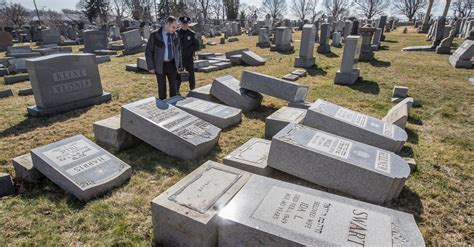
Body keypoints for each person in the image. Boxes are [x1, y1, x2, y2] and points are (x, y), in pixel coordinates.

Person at [145, 16, 182, 100]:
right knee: (162, 87)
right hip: (160, 65)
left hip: (172, 64)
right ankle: (163, 104)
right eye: (173, 27)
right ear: (167, 24)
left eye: (176, 28)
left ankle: (174, 105)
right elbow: (148, 51)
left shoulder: (175, 35)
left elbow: (178, 51)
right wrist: (151, 66)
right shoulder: (155, 35)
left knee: (173, 87)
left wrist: (179, 65)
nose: (174, 30)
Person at [176, 16, 200, 93]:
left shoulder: (192, 34)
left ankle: (192, 90)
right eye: (183, 23)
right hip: (179, 58)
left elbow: (197, 46)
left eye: (186, 24)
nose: (185, 25)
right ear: (180, 23)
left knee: (191, 75)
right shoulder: (176, 33)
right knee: (178, 75)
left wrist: (189, 50)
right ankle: (176, 91)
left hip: (189, 57)